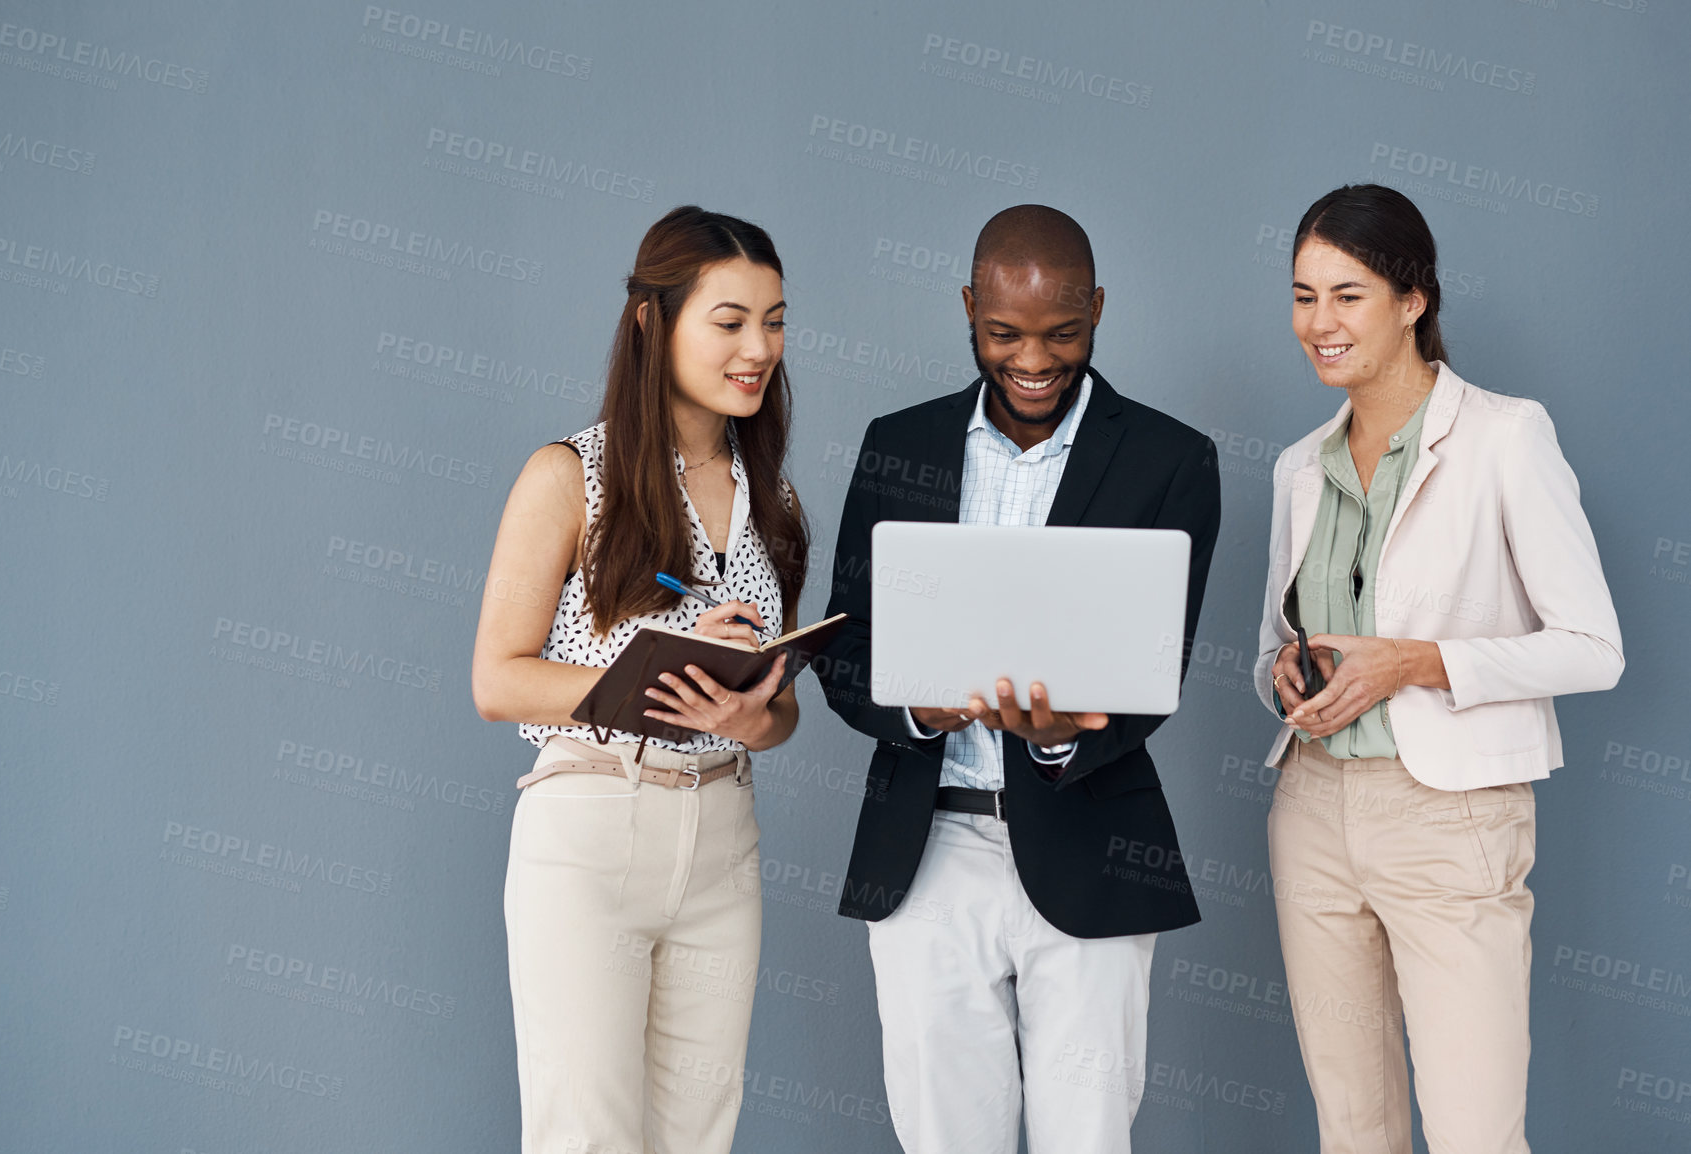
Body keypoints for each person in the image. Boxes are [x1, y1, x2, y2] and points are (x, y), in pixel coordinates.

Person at [818, 204, 1221, 1154]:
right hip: (924, 852)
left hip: (1094, 843)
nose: (1033, 358)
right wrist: (916, 706)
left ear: (1099, 312)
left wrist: (1065, 736)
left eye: (1062, 333)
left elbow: (1158, 668)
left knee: (1087, 1139)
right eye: (1004, 332)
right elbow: (843, 648)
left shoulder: (1172, 459)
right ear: (967, 308)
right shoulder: (900, 444)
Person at [1255, 184, 1623, 1153]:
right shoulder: (1299, 464)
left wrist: (1414, 661)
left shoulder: (1504, 435)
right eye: (1302, 296)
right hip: (1311, 808)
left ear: (1412, 298)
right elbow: (1270, 645)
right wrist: (1284, 676)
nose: (1318, 323)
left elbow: (1592, 648)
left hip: (1451, 816)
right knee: (1351, 1128)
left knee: (1471, 1134)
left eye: (1346, 294)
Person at [471, 205, 808, 1154]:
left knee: (698, 1135)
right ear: (653, 322)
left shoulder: (773, 499)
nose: (759, 348)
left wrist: (751, 714)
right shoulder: (567, 476)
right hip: (590, 828)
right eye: (730, 321)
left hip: (721, 832)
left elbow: (779, 712)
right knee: (587, 1136)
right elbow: (497, 679)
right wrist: (638, 666)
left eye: (775, 321)